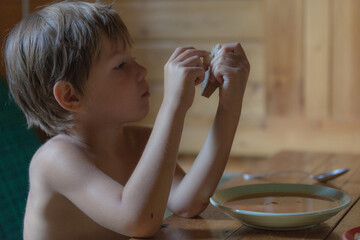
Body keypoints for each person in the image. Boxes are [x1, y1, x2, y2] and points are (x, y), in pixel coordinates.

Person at [4, 1, 249, 239]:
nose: (142, 71)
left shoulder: (139, 142)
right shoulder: (54, 160)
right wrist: (172, 105)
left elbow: (189, 202)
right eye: (121, 65)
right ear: (70, 95)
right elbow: (138, 221)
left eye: (133, 59)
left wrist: (230, 105)